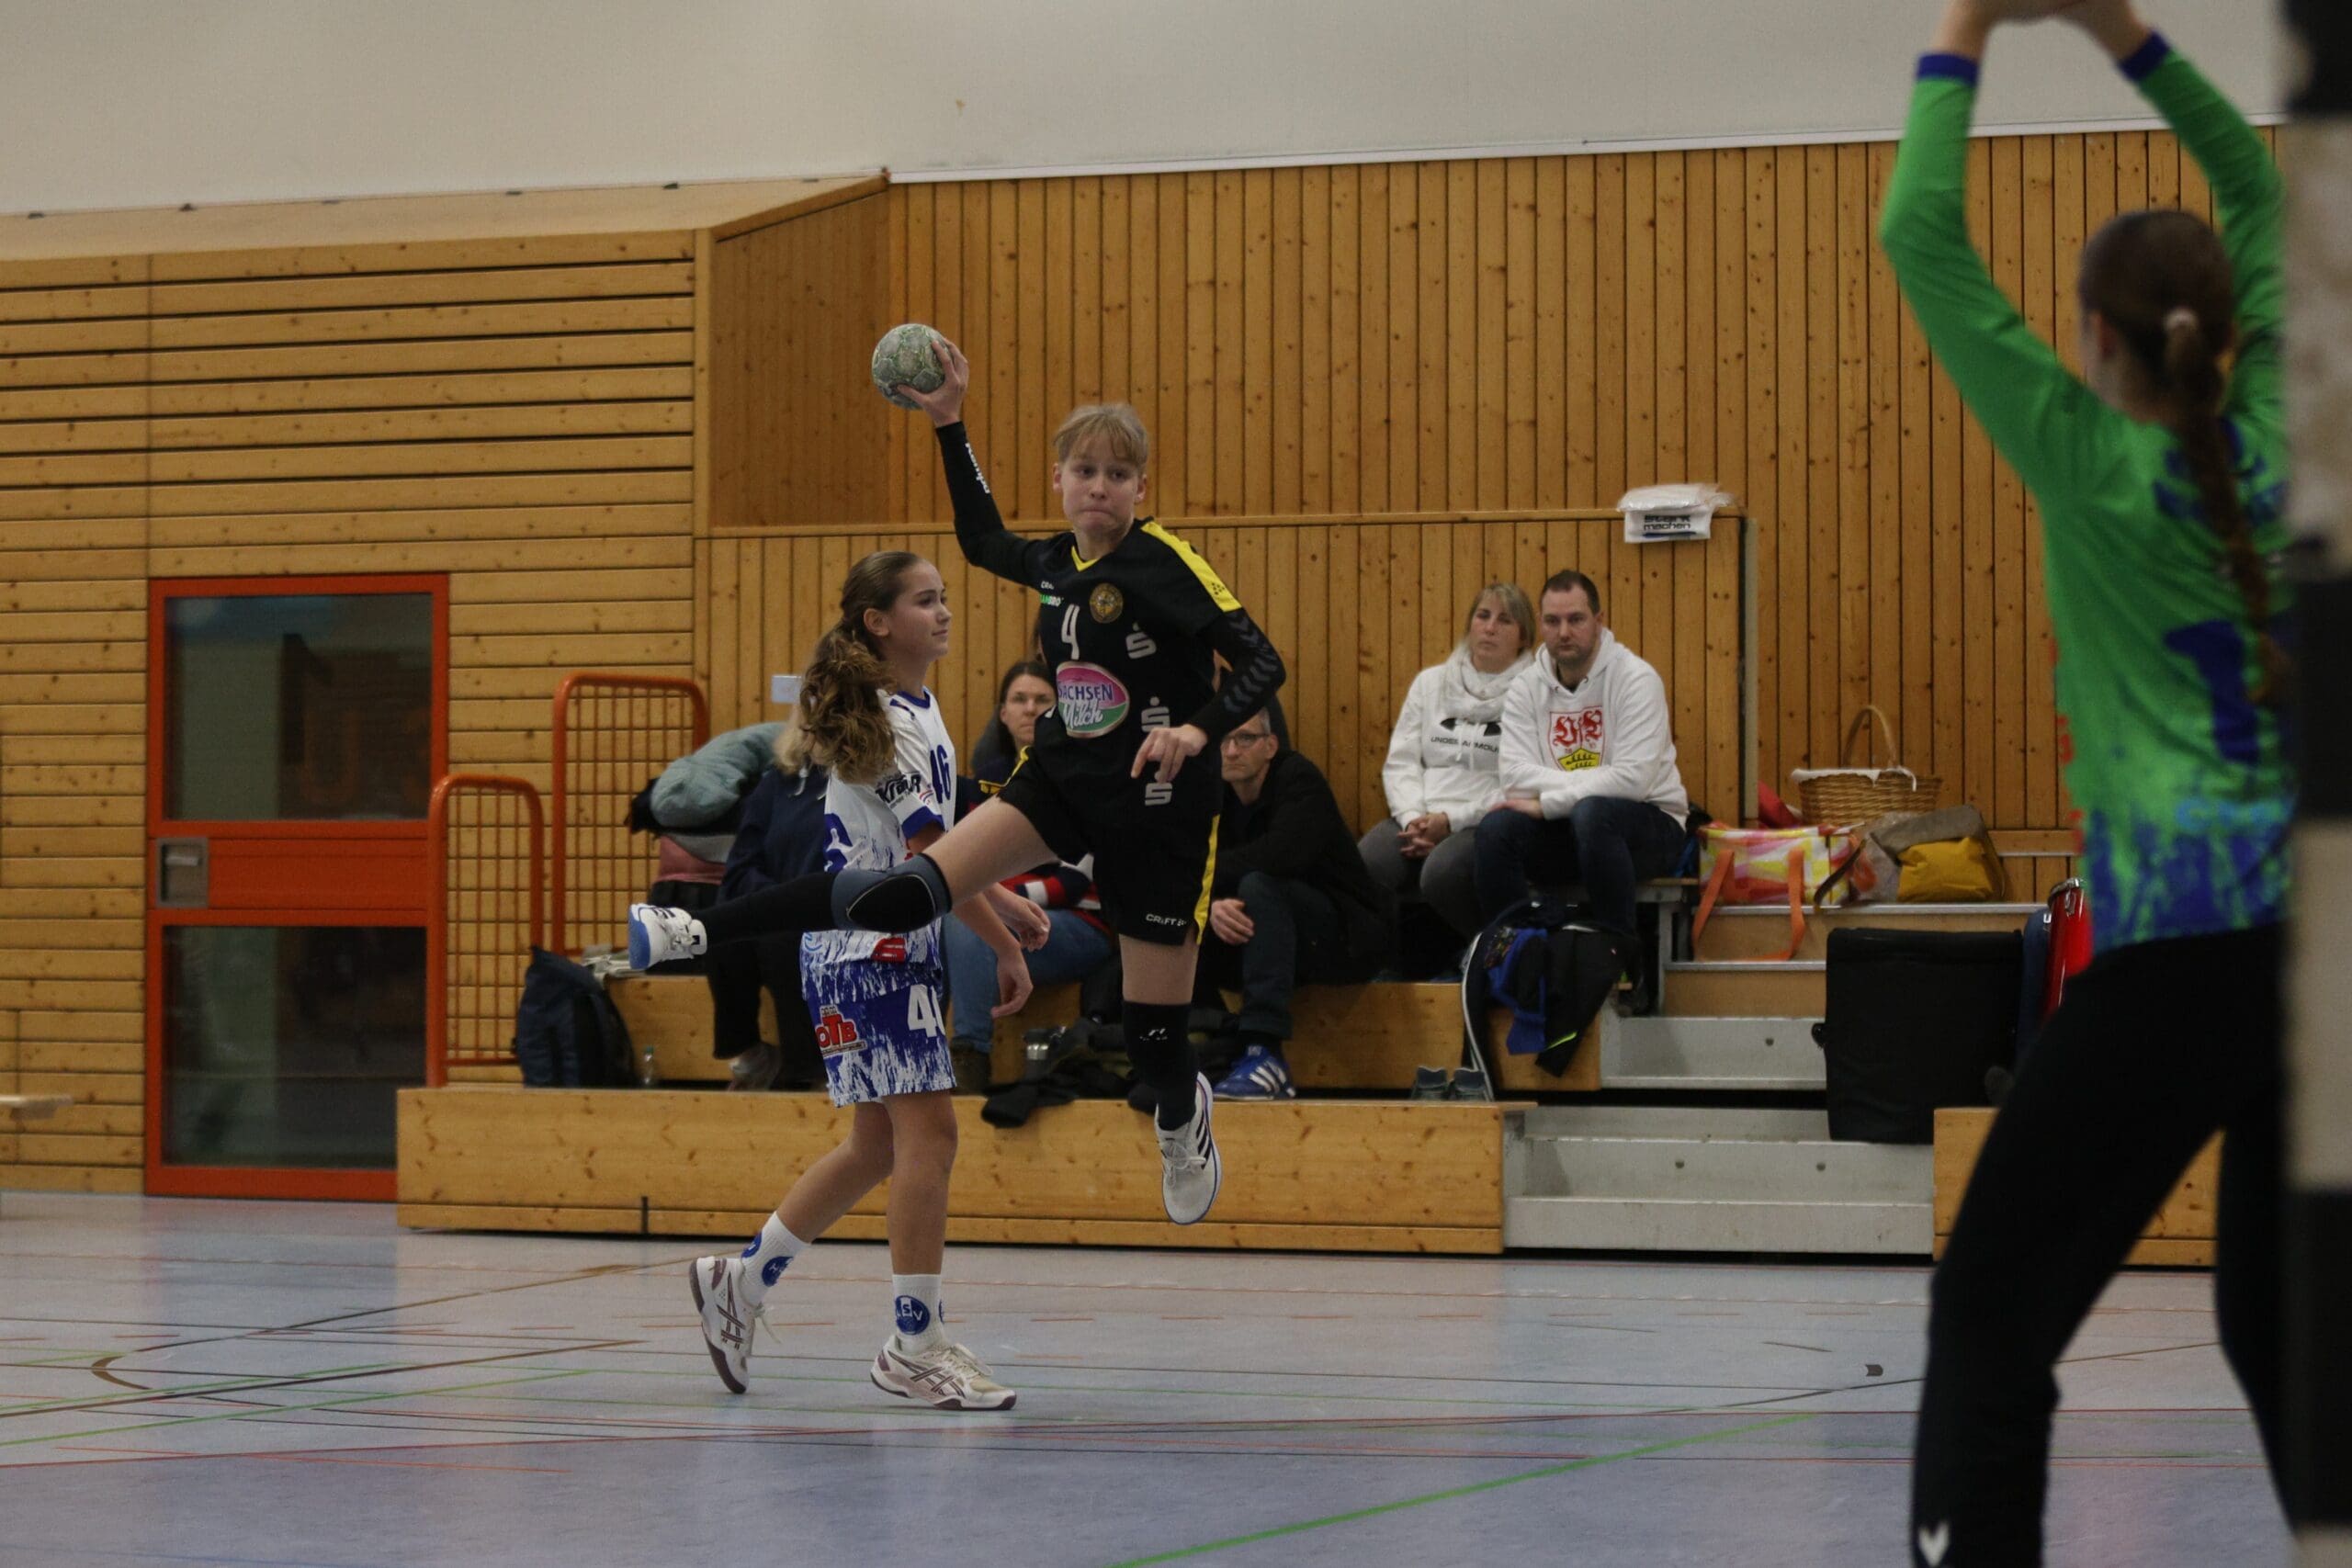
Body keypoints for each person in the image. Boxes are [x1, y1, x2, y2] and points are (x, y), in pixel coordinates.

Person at [1881, 4, 2295, 1561]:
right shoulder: (2289, 423)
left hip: (2183, 959)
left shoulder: (2086, 457)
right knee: (2286, 1332)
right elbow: (2256, 190)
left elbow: (1918, 229)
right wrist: (2128, 32)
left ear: (2098, 343)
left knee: (1993, 1313)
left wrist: (1973, 21)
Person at [628, 339, 1286, 1230]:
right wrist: (948, 422)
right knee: (906, 892)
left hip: (1161, 808)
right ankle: (695, 928)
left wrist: (1196, 728)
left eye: (1116, 475)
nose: (1099, 487)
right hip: (1061, 781)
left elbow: (1261, 661)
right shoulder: (1056, 565)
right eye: (1084, 471)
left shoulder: (1165, 562)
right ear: (1060, 480)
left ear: (1140, 488)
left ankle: (1182, 1116)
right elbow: (981, 540)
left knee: (1155, 1038)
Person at [682, 549, 1044, 1411]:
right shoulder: (890, 721)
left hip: (877, 950)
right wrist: (1003, 940)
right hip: (870, 952)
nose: (943, 611)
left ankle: (741, 1280)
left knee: (878, 1145)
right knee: (933, 1138)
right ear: (879, 622)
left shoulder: (919, 706)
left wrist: (998, 900)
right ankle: (915, 1344)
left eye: (944, 597)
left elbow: (940, 854)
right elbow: (929, 858)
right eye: (924, 600)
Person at [1474, 570, 1690, 944]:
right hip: (1571, 829)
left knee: (1593, 813)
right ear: (1540, 623)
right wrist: (1591, 784)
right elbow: (1515, 779)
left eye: (1576, 619)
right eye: (1553, 621)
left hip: (1651, 826)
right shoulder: (1526, 686)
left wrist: (1547, 804)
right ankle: (1519, 954)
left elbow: (1633, 782)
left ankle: (1615, 954)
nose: (1564, 632)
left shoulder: (1637, 679)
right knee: (1496, 830)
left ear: (1598, 621)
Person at [1198, 701, 1394, 1100]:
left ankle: (1264, 1051)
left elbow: (1280, 856)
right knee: (1185, 915)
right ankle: (1205, 1043)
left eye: (1245, 739)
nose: (1231, 750)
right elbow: (1183, 865)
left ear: (1271, 745)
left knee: (1258, 887)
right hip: (1267, 936)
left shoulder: (1298, 778)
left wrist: (1209, 879)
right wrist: (1213, 902)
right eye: (1224, 740)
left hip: (1345, 936)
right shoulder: (1213, 794)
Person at [942, 660, 1115, 1090]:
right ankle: (913, 1056)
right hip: (1006, 921)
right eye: (1019, 700)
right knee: (934, 923)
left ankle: (969, 1058)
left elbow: (1073, 883)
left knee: (967, 919)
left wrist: (999, 898)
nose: (1030, 709)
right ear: (1003, 713)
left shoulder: (1088, 776)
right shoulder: (985, 781)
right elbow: (963, 863)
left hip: (1082, 925)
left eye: (1042, 700)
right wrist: (993, 900)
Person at [1361, 582, 1537, 953]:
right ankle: (1384, 968)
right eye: (1483, 616)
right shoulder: (1430, 683)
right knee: (1367, 862)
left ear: (1524, 638)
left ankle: (1489, 956)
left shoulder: (1535, 693)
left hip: (1483, 820)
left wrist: (1451, 821)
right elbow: (1401, 762)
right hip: (1420, 813)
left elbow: (1522, 781)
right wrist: (1413, 818)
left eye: (1505, 620)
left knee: (1443, 872)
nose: (1490, 628)